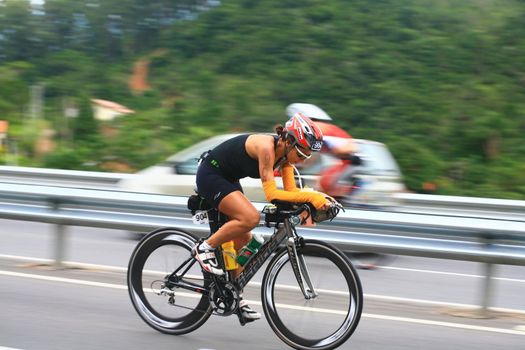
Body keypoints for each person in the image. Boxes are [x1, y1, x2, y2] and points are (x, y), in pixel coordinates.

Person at [192, 113, 334, 322]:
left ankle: (235, 297)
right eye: (301, 154)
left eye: (307, 157)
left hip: (228, 179)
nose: (303, 160)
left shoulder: (285, 159)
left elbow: (291, 193)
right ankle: (204, 248)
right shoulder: (266, 148)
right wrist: (312, 196)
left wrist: (315, 200)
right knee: (250, 218)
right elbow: (272, 194)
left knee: (245, 241)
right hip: (210, 174)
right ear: (288, 141)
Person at [286, 103, 359, 198]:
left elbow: (308, 157)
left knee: (324, 185)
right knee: (322, 187)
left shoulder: (317, 127)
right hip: (349, 161)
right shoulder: (322, 127)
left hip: (350, 161)